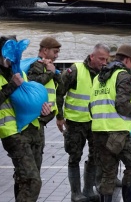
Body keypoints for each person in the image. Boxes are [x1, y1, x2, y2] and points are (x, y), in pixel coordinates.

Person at [0, 35, 51, 202]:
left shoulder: (19, 70)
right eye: (13, 55)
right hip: (12, 133)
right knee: (33, 181)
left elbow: (28, 99)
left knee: (25, 179)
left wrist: (45, 111)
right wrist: (12, 85)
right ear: (4, 54)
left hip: (34, 129)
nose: (17, 58)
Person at [56, 43, 110, 202]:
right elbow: (59, 92)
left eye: (106, 59)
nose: (104, 62)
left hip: (96, 124)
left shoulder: (105, 74)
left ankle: (88, 190)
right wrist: (59, 116)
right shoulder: (75, 70)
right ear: (92, 56)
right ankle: (75, 193)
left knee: (95, 156)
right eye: (101, 58)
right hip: (75, 123)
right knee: (74, 157)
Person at [90, 44, 131, 202]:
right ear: (127, 60)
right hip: (117, 133)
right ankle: (130, 200)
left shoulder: (98, 78)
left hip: (98, 133)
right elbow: (122, 105)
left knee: (108, 172)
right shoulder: (123, 76)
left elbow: (91, 106)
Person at [27, 36, 63, 162]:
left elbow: (60, 87)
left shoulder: (48, 67)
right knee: (30, 165)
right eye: (55, 52)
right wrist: (50, 72)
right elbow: (33, 84)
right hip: (31, 122)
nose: (57, 55)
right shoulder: (37, 65)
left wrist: (53, 71)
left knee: (37, 161)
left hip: (40, 121)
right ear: (45, 50)